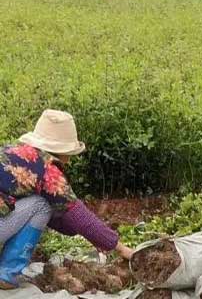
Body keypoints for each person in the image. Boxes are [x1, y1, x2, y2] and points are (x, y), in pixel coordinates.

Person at [0, 109, 134, 289]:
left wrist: (75, 229)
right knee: (41, 206)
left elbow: (62, 218)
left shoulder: (12, 154)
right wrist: (121, 248)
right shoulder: (47, 171)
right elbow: (79, 216)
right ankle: (7, 274)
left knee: (37, 203)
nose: (70, 159)